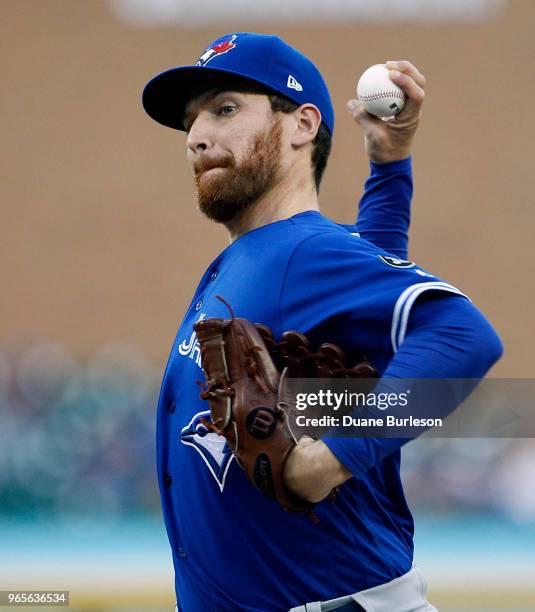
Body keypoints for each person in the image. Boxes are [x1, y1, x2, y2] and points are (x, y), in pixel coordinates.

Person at [142, 33, 502, 612]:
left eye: (225, 108)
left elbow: (466, 337)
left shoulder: (298, 253)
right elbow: (368, 310)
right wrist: (390, 164)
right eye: (190, 122)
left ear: (302, 125)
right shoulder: (275, 258)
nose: (198, 136)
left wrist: (334, 454)